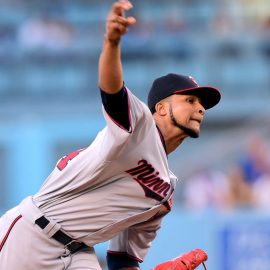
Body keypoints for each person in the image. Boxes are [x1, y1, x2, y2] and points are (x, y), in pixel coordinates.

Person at [0, 1, 221, 270]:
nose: (200, 108)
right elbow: (112, 90)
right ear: (160, 108)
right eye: (190, 100)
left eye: (202, 105)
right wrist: (112, 43)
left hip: (80, 253)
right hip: (34, 233)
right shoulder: (139, 126)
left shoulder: (165, 194)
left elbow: (121, 261)